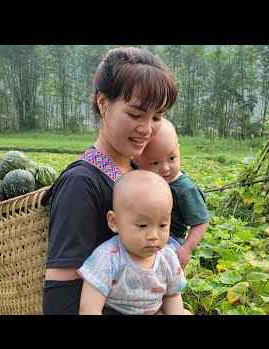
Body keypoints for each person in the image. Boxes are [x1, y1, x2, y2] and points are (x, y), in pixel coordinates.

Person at [41, 47, 178, 315]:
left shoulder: (137, 170)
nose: (147, 128)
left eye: (158, 117)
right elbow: (60, 305)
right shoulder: (81, 185)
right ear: (103, 103)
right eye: (135, 115)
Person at [77, 170, 188, 315]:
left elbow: (172, 296)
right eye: (142, 225)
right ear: (114, 222)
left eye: (162, 225)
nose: (154, 236)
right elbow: (89, 309)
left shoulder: (168, 258)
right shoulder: (107, 258)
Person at [134, 119, 210, 269]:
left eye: (171, 159)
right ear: (137, 160)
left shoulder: (185, 189)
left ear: (178, 150)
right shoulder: (141, 176)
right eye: (155, 163)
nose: (165, 168)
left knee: (156, 268)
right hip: (144, 231)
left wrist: (187, 248)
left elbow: (201, 221)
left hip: (170, 240)